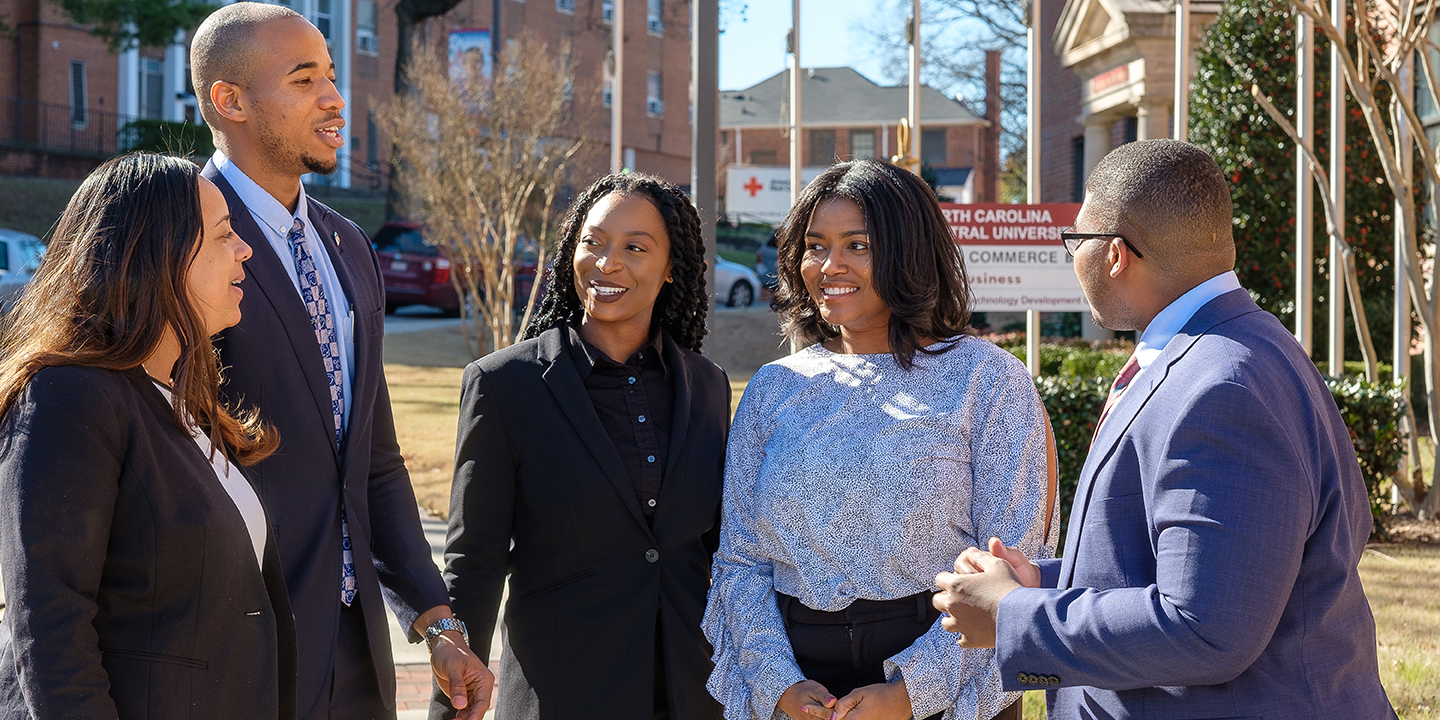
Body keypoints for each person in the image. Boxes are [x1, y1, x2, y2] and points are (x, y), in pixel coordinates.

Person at [933, 139, 1397, 719]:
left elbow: (1205, 629)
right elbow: (1189, 565)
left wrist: (1013, 616)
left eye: (1075, 241)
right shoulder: (1239, 347)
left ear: (1115, 254)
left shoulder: (1220, 388)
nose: (1071, 258)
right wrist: (1045, 584)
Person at [188, 5, 491, 718]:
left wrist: (435, 620)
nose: (334, 99)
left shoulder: (350, 246)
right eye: (304, 80)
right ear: (228, 101)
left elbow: (372, 459)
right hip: (235, 649)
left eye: (330, 75)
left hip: (355, 657)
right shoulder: (181, 242)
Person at [703, 159, 1058, 720]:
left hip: (946, 680)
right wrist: (777, 684)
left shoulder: (988, 380)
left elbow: (1013, 562)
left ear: (908, 252)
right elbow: (741, 561)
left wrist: (912, 693)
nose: (829, 265)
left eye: (858, 246)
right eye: (815, 245)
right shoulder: (774, 388)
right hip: (803, 691)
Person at [0, 153, 296, 717]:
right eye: (224, 235)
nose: (245, 250)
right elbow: (51, 625)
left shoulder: (183, 403)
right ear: (155, 256)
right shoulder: (69, 395)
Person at [435, 173, 730, 720]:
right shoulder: (504, 386)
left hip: (692, 695)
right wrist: (448, 706)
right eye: (592, 242)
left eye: (634, 248)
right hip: (562, 697)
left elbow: (721, 554)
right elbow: (473, 561)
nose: (606, 262)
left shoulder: (708, 386)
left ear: (671, 270)